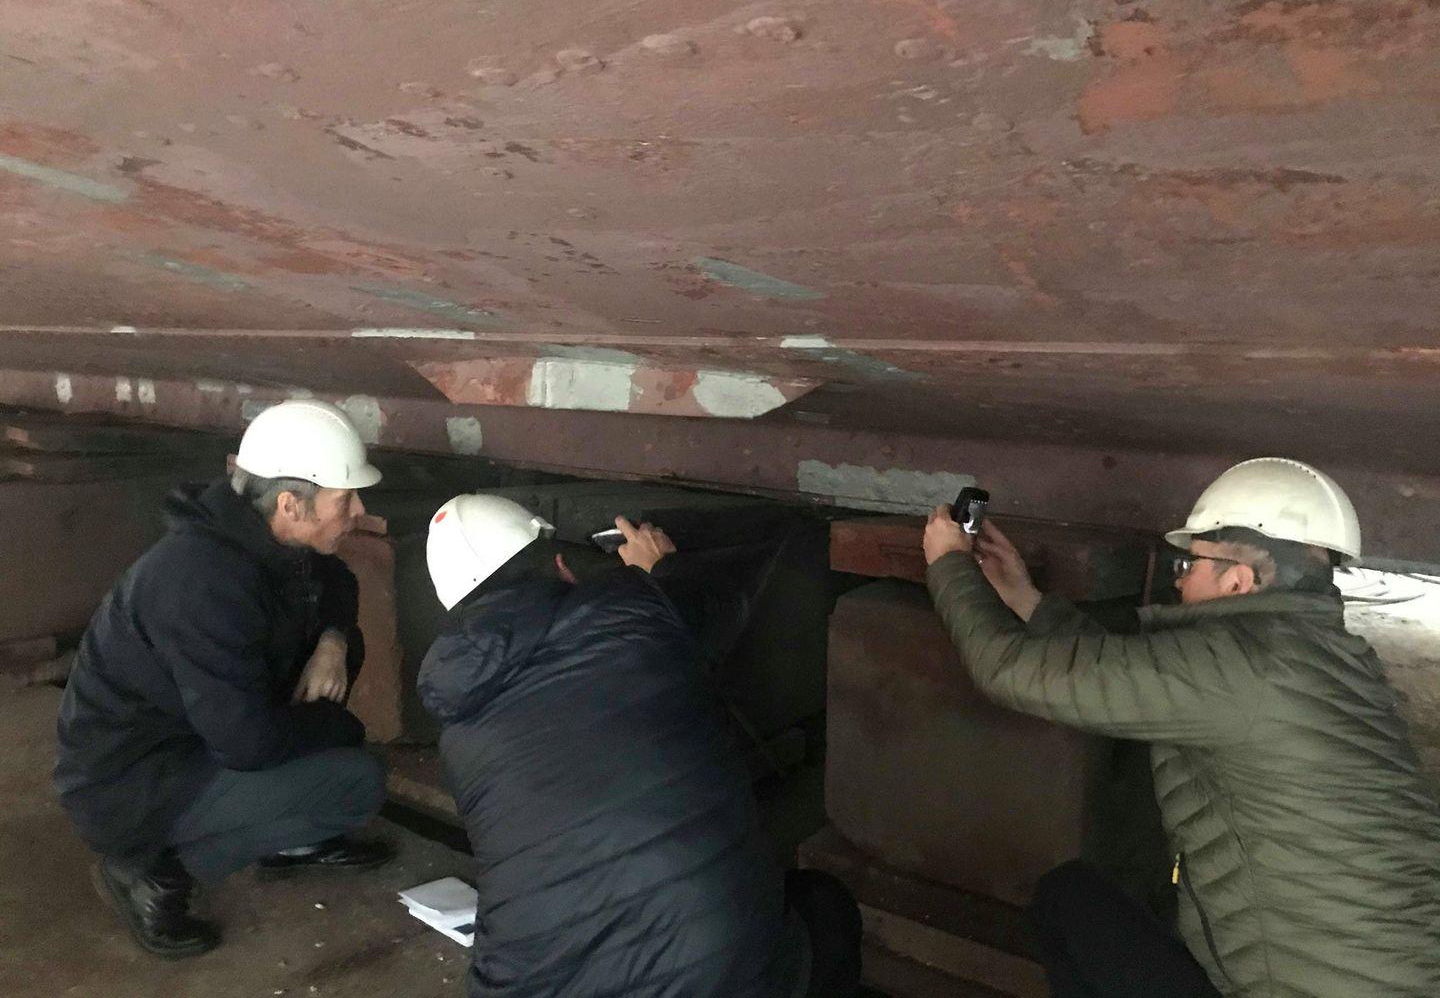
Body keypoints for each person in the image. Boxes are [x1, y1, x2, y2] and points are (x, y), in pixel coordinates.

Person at [922, 457, 1440, 997]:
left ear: (1238, 581)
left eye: (1188, 565)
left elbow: (1007, 672)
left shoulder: (1242, 667)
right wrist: (1025, 599)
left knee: (1066, 901)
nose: (1181, 580)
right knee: (1080, 899)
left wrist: (949, 566)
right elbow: (1139, 676)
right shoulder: (1323, 655)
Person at [417, 495, 860, 998]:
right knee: (824, 906)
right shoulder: (632, 613)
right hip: (710, 977)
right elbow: (719, 606)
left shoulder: (457, 729)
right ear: (563, 565)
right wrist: (660, 567)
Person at [55, 399, 395, 959]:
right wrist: (333, 725)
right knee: (355, 778)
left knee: (332, 669)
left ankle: (287, 837)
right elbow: (248, 744)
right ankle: (149, 873)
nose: (358, 509)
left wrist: (332, 644)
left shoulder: (264, 538)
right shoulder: (204, 585)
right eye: (345, 499)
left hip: (193, 733)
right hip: (132, 781)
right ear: (291, 504)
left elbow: (335, 581)